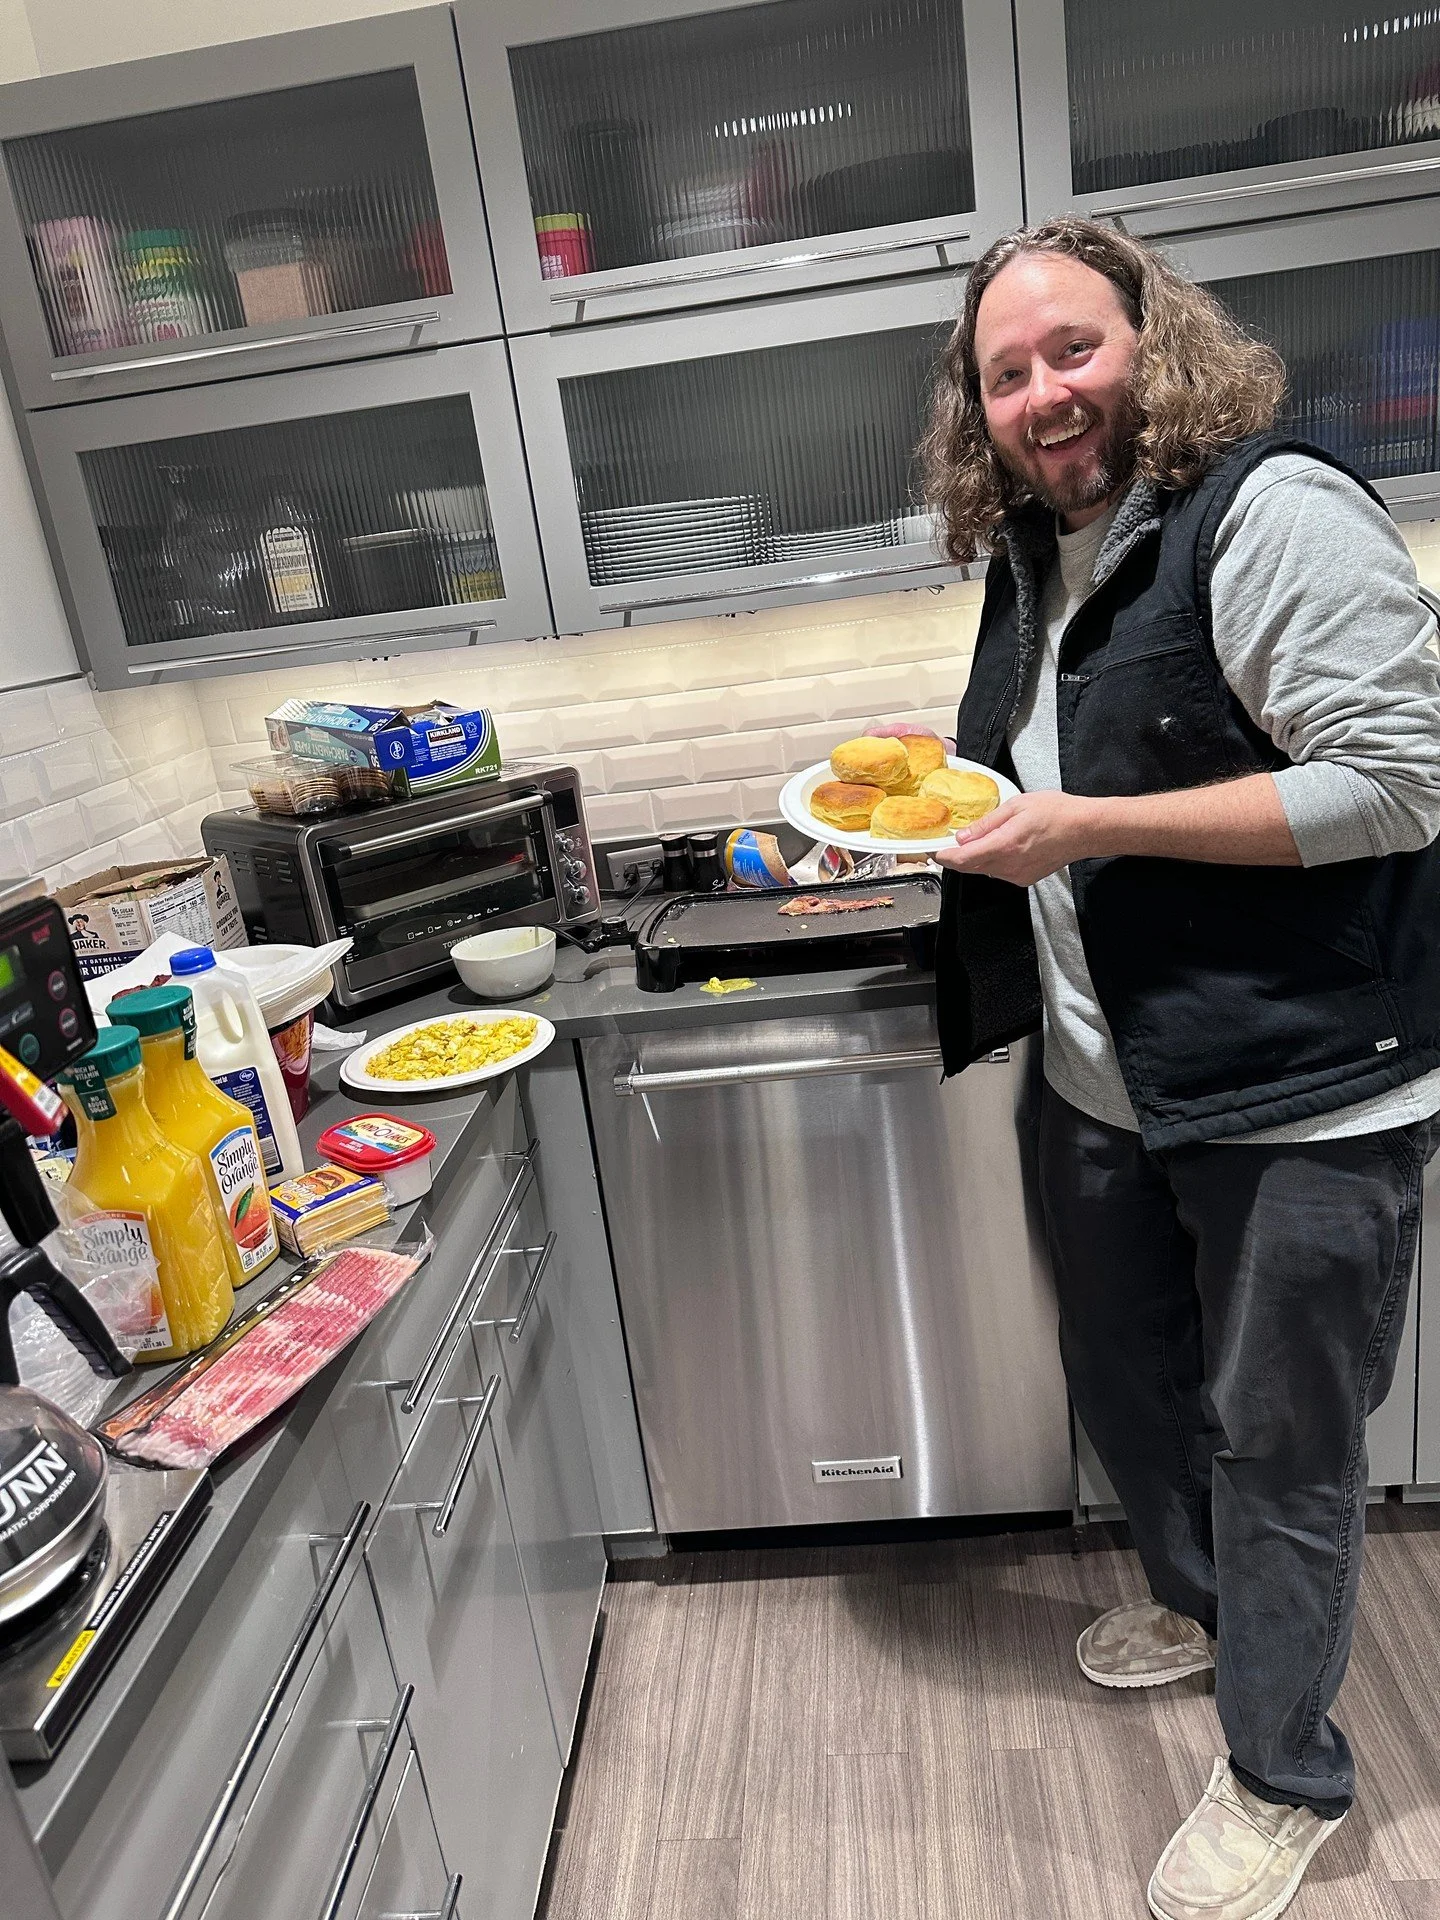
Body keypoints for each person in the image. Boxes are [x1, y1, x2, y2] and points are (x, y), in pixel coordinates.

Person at [921, 215, 1440, 1920]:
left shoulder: (1270, 512)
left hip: (1301, 1089)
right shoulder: (1039, 553)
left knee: (1283, 1442)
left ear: (1154, 340)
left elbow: (1398, 784)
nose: (1045, 394)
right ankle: (1214, 1615)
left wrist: (1082, 826)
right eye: (1008, 372)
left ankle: (1285, 1774)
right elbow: (1052, 768)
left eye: (1074, 348)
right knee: (1136, 1386)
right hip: (1106, 1083)